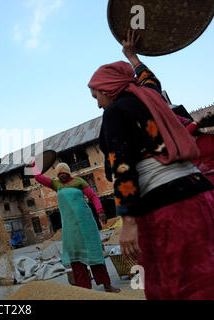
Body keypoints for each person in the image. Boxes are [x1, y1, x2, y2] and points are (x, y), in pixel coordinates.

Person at [88, 30, 214, 299]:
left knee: (178, 285)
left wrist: (128, 222)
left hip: (167, 209)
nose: (98, 105)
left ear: (110, 89)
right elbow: (149, 79)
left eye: (97, 95)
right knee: (206, 273)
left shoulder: (115, 112)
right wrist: (132, 56)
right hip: (201, 196)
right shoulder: (151, 97)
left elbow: (122, 166)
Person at [29, 161, 120, 293]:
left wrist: (100, 211)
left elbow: (93, 196)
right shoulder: (56, 184)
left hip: (86, 223)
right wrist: (33, 166)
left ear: (68, 172)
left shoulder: (79, 181)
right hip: (70, 226)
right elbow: (38, 178)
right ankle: (85, 290)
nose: (61, 176)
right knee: (76, 259)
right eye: (59, 174)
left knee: (94, 253)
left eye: (64, 173)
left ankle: (107, 285)